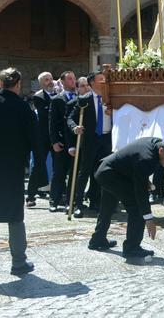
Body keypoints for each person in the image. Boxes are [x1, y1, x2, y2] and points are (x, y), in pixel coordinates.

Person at [88, 137, 164, 258]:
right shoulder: (147, 159)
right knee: (136, 208)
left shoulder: (156, 143)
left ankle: (97, 240)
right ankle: (132, 248)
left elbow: (136, 165)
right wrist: (149, 218)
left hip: (107, 169)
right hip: (111, 174)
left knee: (108, 206)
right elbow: (140, 193)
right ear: (161, 151)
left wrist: (144, 179)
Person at [0, 68, 38, 275]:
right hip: (12, 170)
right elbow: (34, 138)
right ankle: (19, 263)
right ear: (18, 84)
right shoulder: (23, 108)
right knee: (15, 216)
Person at [66, 73, 113, 218]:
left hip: (106, 139)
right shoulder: (83, 100)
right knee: (84, 171)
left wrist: (113, 113)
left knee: (102, 171)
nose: (104, 81)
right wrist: (75, 128)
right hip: (90, 140)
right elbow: (70, 118)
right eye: (101, 79)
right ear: (92, 83)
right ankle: (78, 204)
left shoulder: (111, 98)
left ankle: (97, 201)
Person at [48, 71, 76, 213]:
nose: (73, 81)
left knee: (74, 173)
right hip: (61, 142)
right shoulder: (57, 99)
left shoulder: (80, 98)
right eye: (70, 79)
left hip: (75, 143)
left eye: (74, 78)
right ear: (63, 82)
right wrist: (54, 141)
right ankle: (54, 200)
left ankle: (70, 200)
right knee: (59, 172)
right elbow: (52, 123)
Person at [27, 71, 55, 208]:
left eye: (51, 79)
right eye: (46, 80)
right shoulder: (38, 97)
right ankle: (30, 196)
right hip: (43, 137)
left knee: (59, 166)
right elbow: (45, 115)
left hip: (55, 136)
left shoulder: (57, 95)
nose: (50, 82)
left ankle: (57, 195)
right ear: (41, 83)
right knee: (38, 165)